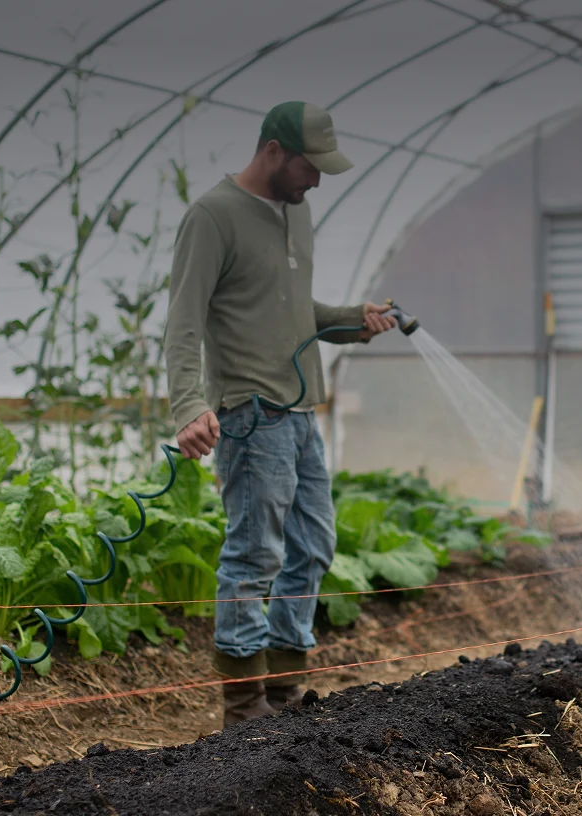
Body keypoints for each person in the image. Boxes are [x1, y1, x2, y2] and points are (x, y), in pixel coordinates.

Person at [162, 101, 397, 726]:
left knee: (314, 544)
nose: (316, 180)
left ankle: (286, 694)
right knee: (253, 554)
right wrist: (189, 405)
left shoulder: (298, 211)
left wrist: (355, 321)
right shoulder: (212, 217)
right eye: (309, 167)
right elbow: (183, 323)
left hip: (300, 414)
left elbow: (293, 312)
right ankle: (244, 706)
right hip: (250, 414)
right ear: (273, 151)